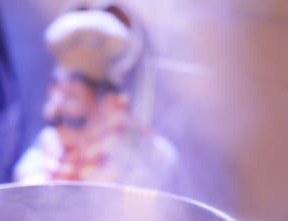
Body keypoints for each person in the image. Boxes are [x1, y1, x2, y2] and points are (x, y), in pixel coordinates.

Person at [14, 5, 176, 189]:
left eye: (72, 97)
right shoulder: (49, 143)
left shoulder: (144, 152)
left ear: (106, 104)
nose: (54, 111)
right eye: (55, 95)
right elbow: (26, 176)